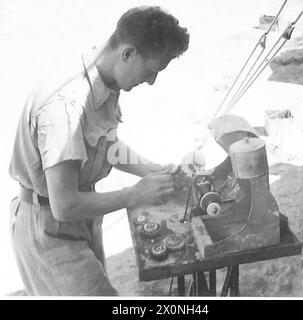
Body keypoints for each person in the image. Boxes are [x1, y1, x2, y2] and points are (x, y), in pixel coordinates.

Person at [9, 6, 189, 296]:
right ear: (128, 53)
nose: (152, 81)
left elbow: (106, 146)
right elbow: (64, 205)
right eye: (152, 70)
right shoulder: (66, 107)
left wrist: (154, 170)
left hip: (78, 219)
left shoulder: (105, 76)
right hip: (48, 228)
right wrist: (135, 194)